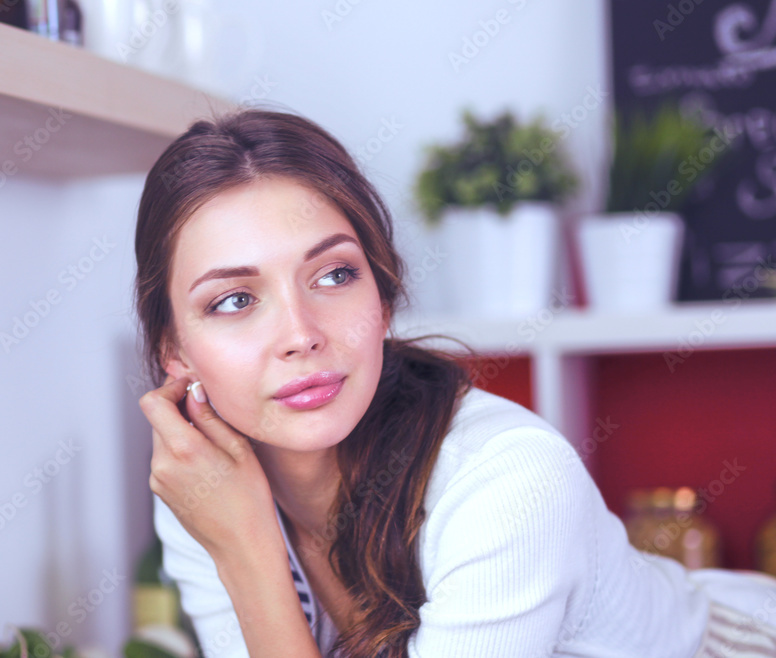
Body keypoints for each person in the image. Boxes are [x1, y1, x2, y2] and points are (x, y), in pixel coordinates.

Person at [133, 107, 776, 658]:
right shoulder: (208, 490)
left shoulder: (511, 480)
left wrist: (248, 559)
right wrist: (241, 539)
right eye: (234, 301)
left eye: (333, 276)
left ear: (383, 302)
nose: (301, 334)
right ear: (174, 350)